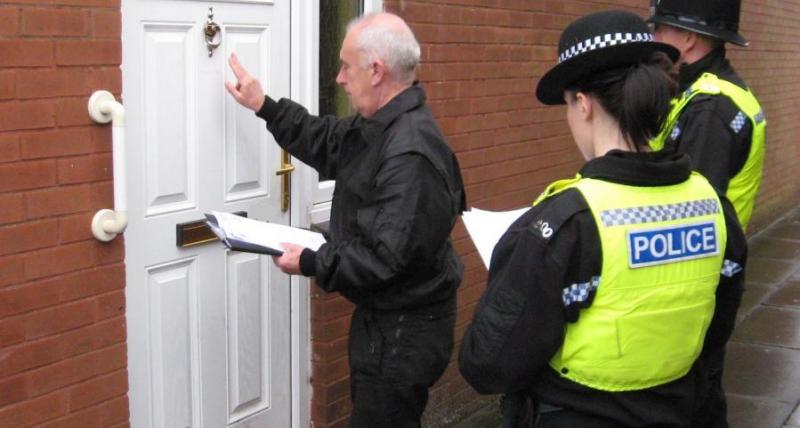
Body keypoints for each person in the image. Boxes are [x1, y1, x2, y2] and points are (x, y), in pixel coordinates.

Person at [458, 10, 746, 428]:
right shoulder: (715, 207)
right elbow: (715, 331)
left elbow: (487, 364)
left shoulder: (564, 222)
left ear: (583, 103)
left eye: (567, 104)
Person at [225, 11, 465, 428]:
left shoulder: (410, 155)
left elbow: (384, 259)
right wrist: (264, 105)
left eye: (345, 66)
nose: (338, 78)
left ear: (376, 71)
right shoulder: (378, 126)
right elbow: (325, 140)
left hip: (404, 332)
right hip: (387, 321)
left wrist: (312, 261)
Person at [648, 0, 766, 232]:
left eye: (659, 30)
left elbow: (692, 216)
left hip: (697, 265)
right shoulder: (714, 91)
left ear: (689, 39)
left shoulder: (710, 109)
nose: (653, 39)